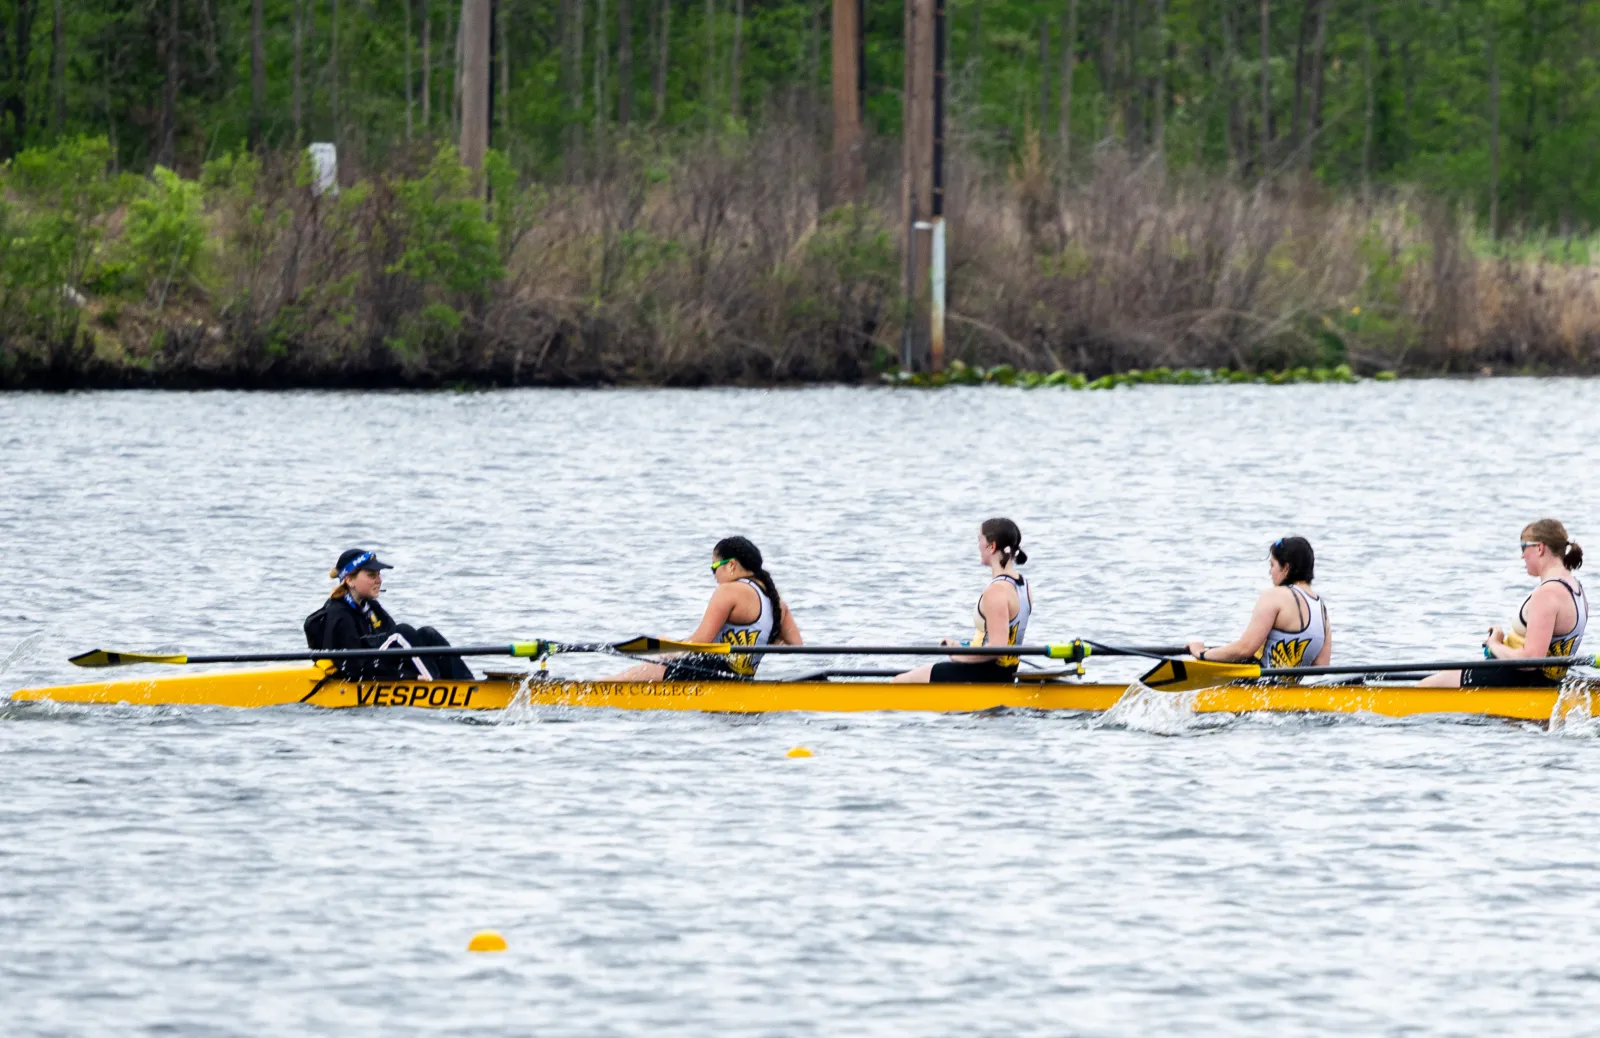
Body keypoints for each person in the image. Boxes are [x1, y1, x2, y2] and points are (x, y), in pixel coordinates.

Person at [605, 536, 802, 682]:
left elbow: (700, 641)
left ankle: (581, 692)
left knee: (631, 675)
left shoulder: (728, 591)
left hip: (709, 673)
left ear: (731, 565)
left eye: (714, 567)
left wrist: (669, 651)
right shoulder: (777, 604)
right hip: (741, 679)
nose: (714, 575)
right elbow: (796, 646)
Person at [1419, 519, 1586, 688]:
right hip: (1543, 680)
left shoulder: (1547, 593)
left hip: (1518, 679)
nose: (1522, 555)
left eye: (1523, 547)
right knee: (1443, 675)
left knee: (1425, 686)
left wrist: (1494, 644)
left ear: (1540, 548)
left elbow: (1530, 660)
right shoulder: (1576, 588)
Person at [894, 518, 1033, 684]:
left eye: (979, 540)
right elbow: (998, 641)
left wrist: (957, 655)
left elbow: (997, 647)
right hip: (1004, 674)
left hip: (983, 675)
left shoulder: (996, 591)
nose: (978, 546)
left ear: (992, 546)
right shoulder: (1024, 586)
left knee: (899, 682)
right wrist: (960, 647)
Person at [303, 548, 472, 680]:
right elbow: (353, 668)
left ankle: (467, 683)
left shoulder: (371, 607)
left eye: (378, 574)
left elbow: (390, 640)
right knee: (403, 632)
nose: (379, 580)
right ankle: (435, 684)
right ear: (349, 580)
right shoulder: (339, 615)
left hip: (381, 666)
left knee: (427, 634)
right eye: (371, 575)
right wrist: (409, 677)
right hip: (364, 675)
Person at [1186, 536, 1331, 670]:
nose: (1270, 572)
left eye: (1272, 565)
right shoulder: (1321, 608)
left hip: (1256, 688)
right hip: (1286, 691)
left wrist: (1202, 653)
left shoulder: (1275, 595)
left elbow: (1244, 649)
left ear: (1286, 568)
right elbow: (1321, 665)